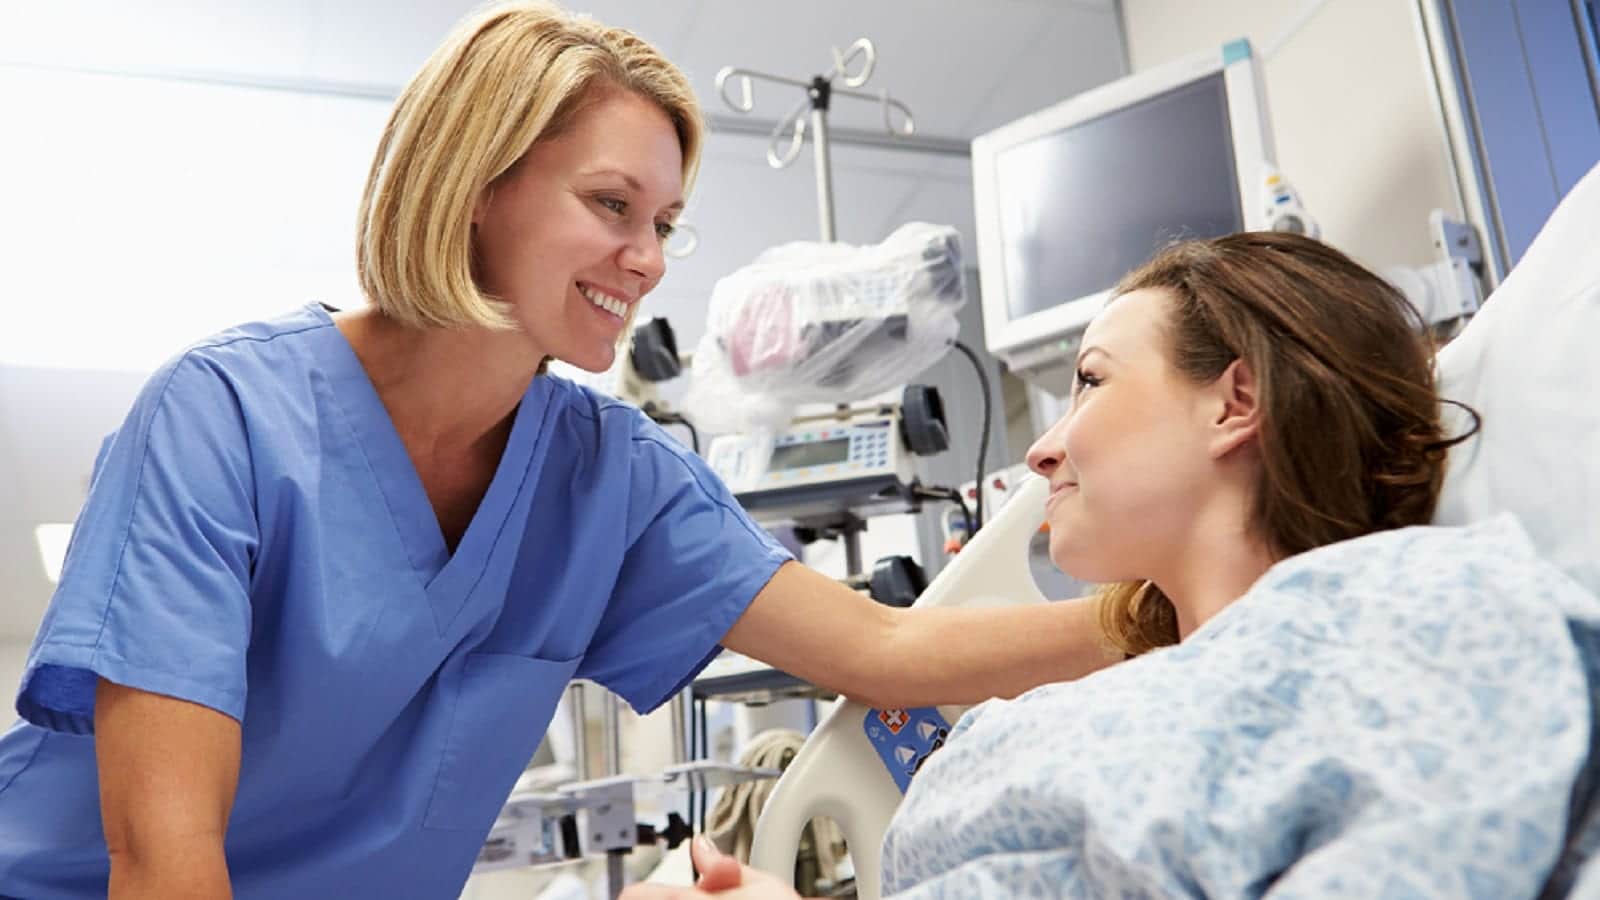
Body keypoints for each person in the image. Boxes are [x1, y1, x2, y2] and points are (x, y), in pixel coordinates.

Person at [0, 4, 1117, 899]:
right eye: (611, 205)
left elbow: (880, 651)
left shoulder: (611, 480)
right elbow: (161, 862)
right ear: (478, 187)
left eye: (664, 223)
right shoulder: (222, 420)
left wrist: (1178, 608)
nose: (646, 260)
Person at [620, 232, 1589, 900]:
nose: (1042, 453)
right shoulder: (1084, 709)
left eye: (1089, 381)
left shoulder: (1420, 625)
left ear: (1234, 401)